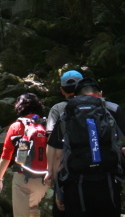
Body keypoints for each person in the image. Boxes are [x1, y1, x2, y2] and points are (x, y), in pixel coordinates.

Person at [45, 78, 125, 217]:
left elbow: (59, 156)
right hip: (107, 181)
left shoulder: (67, 114)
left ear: (76, 97)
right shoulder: (112, 109)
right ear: (100, 93)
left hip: (76, 184)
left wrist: (59, 191)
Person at [0, 93, 50, 217]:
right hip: (43, 178)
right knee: (33, 209)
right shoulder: (46, 126)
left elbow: (6, 155)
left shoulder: (16, 127)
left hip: (22, 177)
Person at [45, 70, 84, 217]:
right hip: (97, 172)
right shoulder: (99, 106)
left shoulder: (57, 109)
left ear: (62, 90)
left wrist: (50, 172)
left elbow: (53, 143)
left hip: (67, 171)